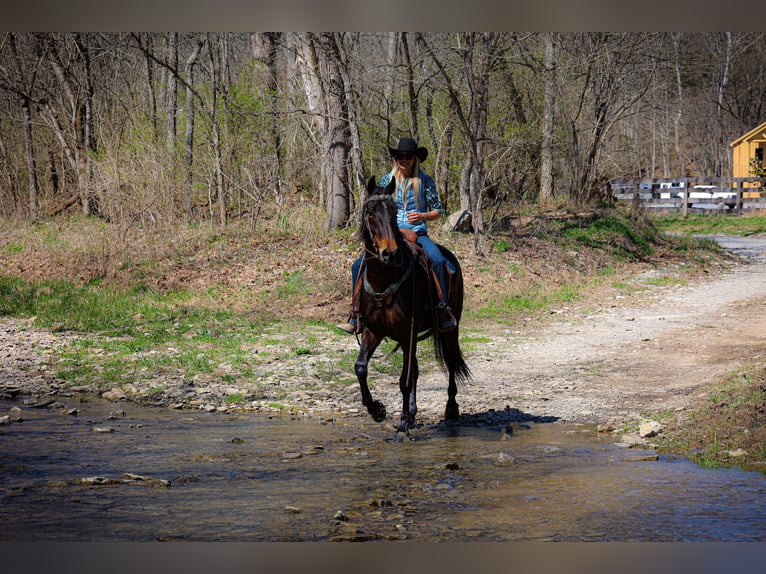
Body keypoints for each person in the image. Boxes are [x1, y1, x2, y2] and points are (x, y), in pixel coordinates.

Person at [337, 137, 457, 334]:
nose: (404, 160)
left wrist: (423, 215)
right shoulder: (386, 181)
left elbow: (438, 210)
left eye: (408, 156)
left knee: (437, 260)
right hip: (391, 235)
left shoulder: (425, 182)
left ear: (415, 159)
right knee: (358, 265)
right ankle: (356, 315)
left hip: (417, 233)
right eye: (400, 156)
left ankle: (442, 309)